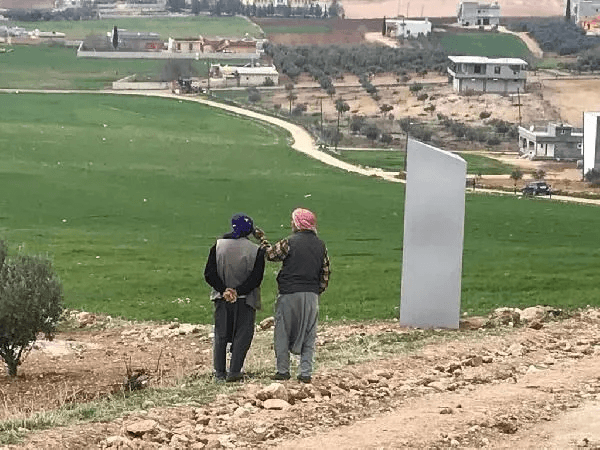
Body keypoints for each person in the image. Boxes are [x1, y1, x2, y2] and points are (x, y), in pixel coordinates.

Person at [256, 208, 330, 383]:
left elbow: (270, 254)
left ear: (297, 223)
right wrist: (316, 290)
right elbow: (325, 273)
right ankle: (305, 372)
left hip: (289, 293)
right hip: (311, 295)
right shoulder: (321, 245)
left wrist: (262, 240)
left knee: (282, 331)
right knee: (309, 333)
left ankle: (283, 370)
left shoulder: (289, 242)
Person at [204, 213, 266, 382]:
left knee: (221, 335)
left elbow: (209, 273)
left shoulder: (218, 246)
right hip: (246, 301)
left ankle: (219, 373)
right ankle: (235, 371)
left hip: (222, 299)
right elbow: (256, 278)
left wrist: (224, 290)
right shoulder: (256, 251)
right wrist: (238, 291)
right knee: (243, 334)